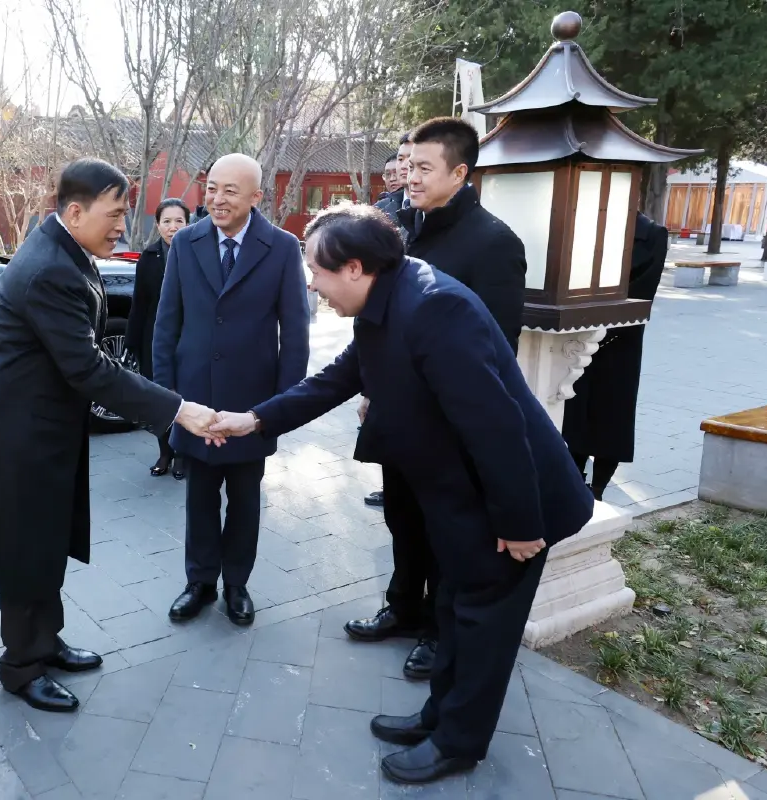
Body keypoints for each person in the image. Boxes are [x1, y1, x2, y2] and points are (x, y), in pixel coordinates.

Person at [210, 203, 593, 784]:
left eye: (317, 271)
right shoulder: (384, 300)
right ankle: (440, 716)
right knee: (451, 609)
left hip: (513, 503)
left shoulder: (434, 308)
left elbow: (496, 426)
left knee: (482, 625)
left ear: (357, 267)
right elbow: (337, 379)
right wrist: (254, 421)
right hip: (460, 497)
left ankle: (458, 743)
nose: (313, 285)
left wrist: (518, 522)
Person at [0, 158, 220, 714]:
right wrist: (177, 410)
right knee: (24, 552)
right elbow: (91, 370)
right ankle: (21, 666)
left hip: (43, 430)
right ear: (75, 211)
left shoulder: (66, 251)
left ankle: (45, 641)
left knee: (45, 543)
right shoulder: (49, 268)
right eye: (115, 214)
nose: (123, 225)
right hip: (18, 441)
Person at [345, 118, 528, 683]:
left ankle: (435, 631)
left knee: (444, 530)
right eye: (408, 164)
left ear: (460, 172)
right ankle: (402, 607)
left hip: (448, 427)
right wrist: (373, 388)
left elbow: (495, 351)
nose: (410, 177)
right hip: (399, 416)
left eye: (424, 168)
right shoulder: (402, 229)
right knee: (401, 517)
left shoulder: (494, 244)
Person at [153, 153, 311, 627]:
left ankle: (236, 584)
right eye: (212, 187)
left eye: (230, 191)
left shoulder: (281, 247)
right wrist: (171, 403)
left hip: (252, 406)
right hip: (194, 400)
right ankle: (198, 582)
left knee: (245, 500)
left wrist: (277, 410)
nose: (217, 199)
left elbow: (296, 334)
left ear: (256, 198)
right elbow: (167, 325)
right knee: (199, 498)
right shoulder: (186, 242)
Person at [563, 211, 668, 499]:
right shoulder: (587, 226)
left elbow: (641, 295)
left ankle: (598, 489)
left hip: (621, 339)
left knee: (613, 415)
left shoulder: (652, 234)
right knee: (575, 411)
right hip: (578, 336)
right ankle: (575, 482)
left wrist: (597, 330)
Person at [363, 131, 415, 510]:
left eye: (414, 164)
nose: (402, 171)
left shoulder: (486, 240)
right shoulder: (386, 209)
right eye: (399, 162)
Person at [126, 198, 192, 479]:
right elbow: (139, 303)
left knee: (187, 397)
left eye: (179, 221)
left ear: (188, 224)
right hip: (154, 339)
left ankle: (183, 455)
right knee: (159, 398)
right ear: (158, 225)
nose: (173, 227)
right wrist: (132, 342)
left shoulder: (196, 254)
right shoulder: (149, 257)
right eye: (167, 221)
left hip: (189, 340)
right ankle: (165, 451)